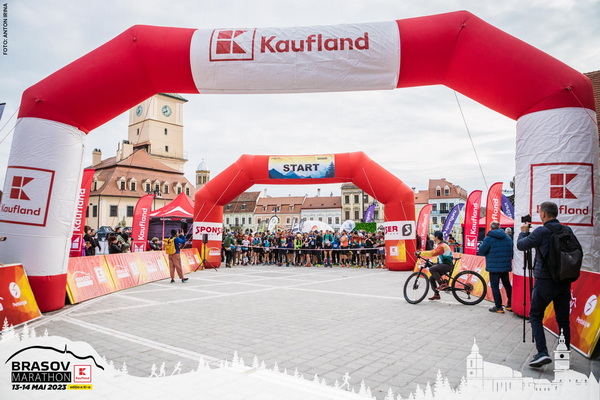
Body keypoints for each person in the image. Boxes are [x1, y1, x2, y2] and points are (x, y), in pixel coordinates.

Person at [517, 201, 572, 368]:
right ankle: (564, 355)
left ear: (543, 214)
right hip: (563, 280)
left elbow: (521, 245)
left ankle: (542, 352)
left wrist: (523, 232)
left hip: (544, 281)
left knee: (535, 315)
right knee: (563, 320)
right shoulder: (567, 230)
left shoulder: (541, 231)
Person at [478, 222, 513, 313]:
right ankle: (511, 304)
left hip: (494, 266)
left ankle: (498, 307)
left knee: (495, 286)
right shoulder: (507, 238)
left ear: (491, 228)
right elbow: (512, 251)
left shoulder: (488, 238)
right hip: (505, 266)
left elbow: (481, 251)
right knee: (507, 284)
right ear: (499, 227)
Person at [416, 231, 453, 300]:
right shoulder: (440, 245)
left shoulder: (443, 246)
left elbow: (432, 253)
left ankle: (442, 284)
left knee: (432, 269)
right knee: (431, 278)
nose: (433, 237)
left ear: (436, 237)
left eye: (434, 236)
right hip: (443, 264)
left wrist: (421, 253)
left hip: (447, 265)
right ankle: (436, 295)